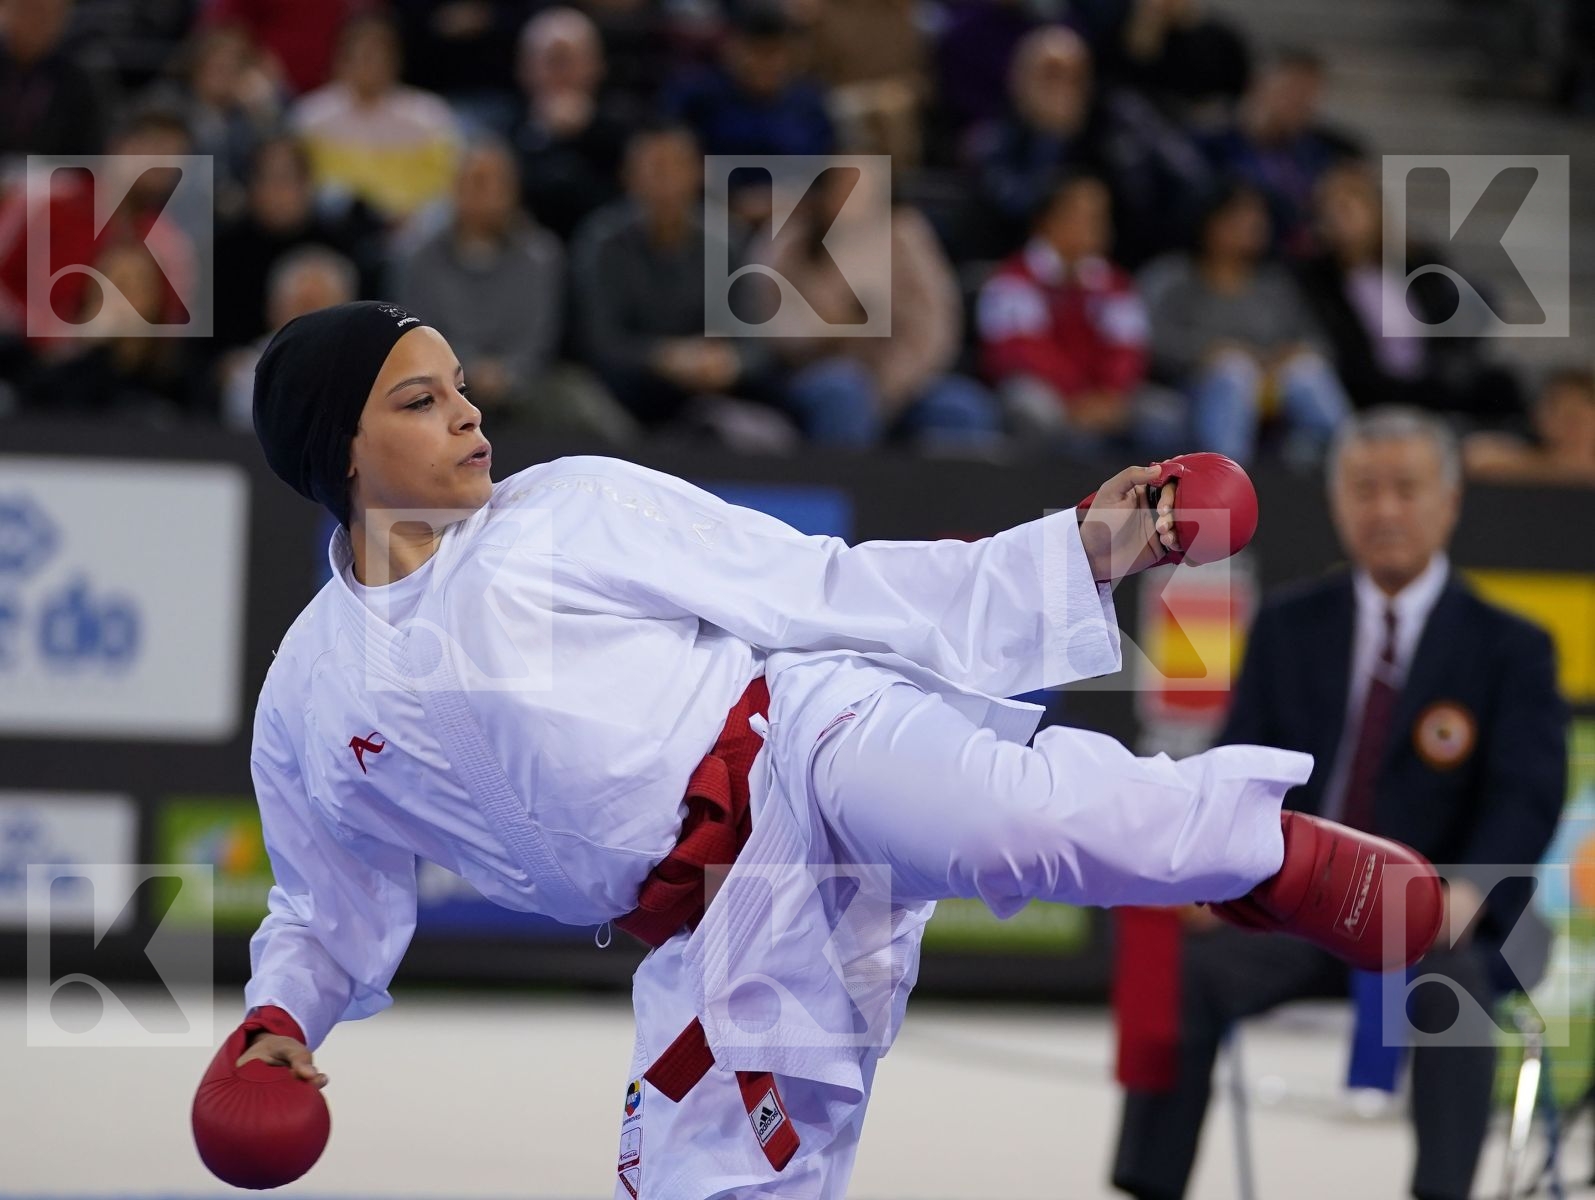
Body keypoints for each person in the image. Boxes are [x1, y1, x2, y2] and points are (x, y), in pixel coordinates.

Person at [202, 302, 1439, 1200]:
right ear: (338, 451)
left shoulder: (564, 506)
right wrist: (276, 1016)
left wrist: (1085, 548)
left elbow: (822, 584)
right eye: (419, 400)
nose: (468, 412)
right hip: (711, 930)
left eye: (462, 382)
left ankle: (1266, 856)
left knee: (1008, 817)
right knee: (719, 1186)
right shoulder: (310, 698)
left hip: (803, 737)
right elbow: (326, 907)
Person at [1112, 406, 1569, 1200]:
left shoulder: (1511, 647)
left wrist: (1464, 891)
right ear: (1337, 504)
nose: (1384, 508)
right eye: (1364, 489)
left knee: (1451, 984)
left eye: (1404, 488)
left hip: (1446, 918)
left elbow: (1526, 794)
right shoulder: (1291, 625)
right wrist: (1212, 873)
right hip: (1307, 909)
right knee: (1189, 971)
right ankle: (1146, 1187)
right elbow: (1240, 767)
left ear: (1449, 501)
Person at [1139, 180, 1350, 464]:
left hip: (1272, 388)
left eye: (1256, 217)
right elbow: (1150, 339)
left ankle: (1352, 462)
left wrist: (1296, 352)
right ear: (1209, 220)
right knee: (1234, 373)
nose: (1250, 224)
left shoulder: (1275, 285)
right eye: (1237, 216)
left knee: (1308, 373)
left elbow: (1319, 341)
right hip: (1192, 389)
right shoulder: (1172, 278)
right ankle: (1226, 475)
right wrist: (1206, 353)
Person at [978, 172, 1186, 458]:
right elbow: (1020, 352)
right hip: (1050, 394)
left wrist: (1109, 396)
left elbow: (1128, 349)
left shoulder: (1114, 283)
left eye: (1101, 216)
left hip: (1104, 398)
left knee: (1168, 416)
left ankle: (1147, 501)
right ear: (1047, 220)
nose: (1097, 226)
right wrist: (1077, 398)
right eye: (1083, 215)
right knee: (1032, 407)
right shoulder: (1013, 279)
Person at [1465, 367, 1595, 486]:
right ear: (1539, 417)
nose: (1571, 428)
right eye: (1561, 416)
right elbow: (1479, 457)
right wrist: (1561, 467)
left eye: (1577, 417)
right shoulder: (1522, 459)